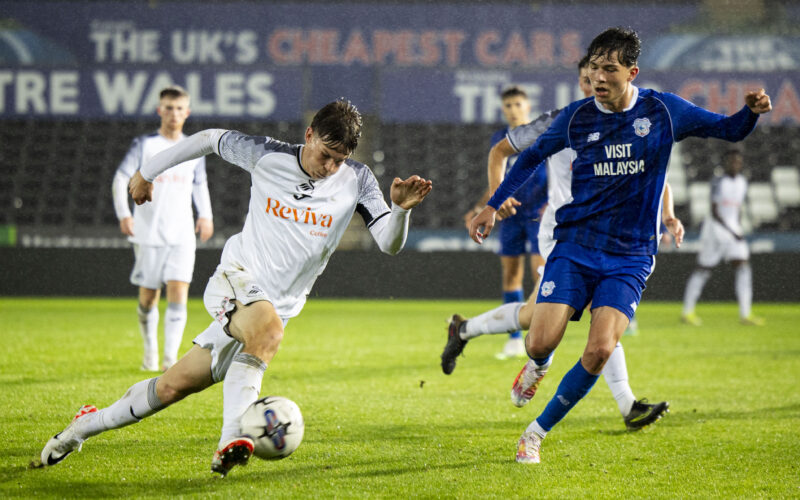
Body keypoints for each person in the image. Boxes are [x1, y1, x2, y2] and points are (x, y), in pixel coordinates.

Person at [38, 99, 432, 477]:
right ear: (309, 134)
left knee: (171, 387)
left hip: (275, 306)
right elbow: (209, 137)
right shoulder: (268, 156)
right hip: (237, 278)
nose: (329, 166)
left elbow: (388, 243)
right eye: (325, 153)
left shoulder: (358, 180)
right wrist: (147, 173)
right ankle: (232, 439)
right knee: (268, 332)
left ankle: (81, 428)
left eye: (339, 159)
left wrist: (400, 211)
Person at [468, 27, 771, 464]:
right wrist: (493, 205)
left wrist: (751, 112)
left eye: (608, 68)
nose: (597, 77)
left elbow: (729, 130)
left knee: (601, 348)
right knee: (538, 342)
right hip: (575, 245)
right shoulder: (575, 117)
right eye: (593, 68)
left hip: (629, 255)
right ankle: (538, 364)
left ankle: (534, 434)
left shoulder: (663, 110)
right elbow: (529, 156)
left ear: (632, 72)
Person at [442, 56, 671, 433]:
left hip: (602, 235)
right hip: (564, 232)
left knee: (581, 315)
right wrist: (498, 199)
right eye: (587, 77)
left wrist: (668, 213)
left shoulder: (625, 121)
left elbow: (653, 173)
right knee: (550, 317)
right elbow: (501, 150)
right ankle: (549, 367)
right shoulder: (560, 119)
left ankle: (467, 331)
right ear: (581, 81)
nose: (594, 82)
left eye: (600, 75)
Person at [111, 85, 214, 372]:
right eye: (168, 108)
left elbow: (199, 184)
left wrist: (205, 214)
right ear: (160, 110)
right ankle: (150, 356)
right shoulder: (145, 145)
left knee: (179, 291)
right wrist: (124, 213)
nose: (174, 113)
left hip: (181, 233)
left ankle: (169, 360)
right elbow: (121, 179)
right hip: (148, 232)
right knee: (148, 297)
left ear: (187, 112)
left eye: (180, 108)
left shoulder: (194, 146)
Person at [463, 86, 547, 359]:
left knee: (540, 273)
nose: (513, 109)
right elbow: (496, 182)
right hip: (509, 216)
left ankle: (538, 334)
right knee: (511, 274)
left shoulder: (542, 134)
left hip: (539, 214)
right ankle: (514, 338)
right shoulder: (500, 139)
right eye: (508, 105)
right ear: (503, 110)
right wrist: (481, 207)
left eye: (517, 104)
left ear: (528, 107)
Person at [681, 149, 764, 326]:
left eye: (738, 161)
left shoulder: (742, 182)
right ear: (725, 163)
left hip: (733, 229)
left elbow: (737, 209)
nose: (735, 164)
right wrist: (734, 232)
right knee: (703, 269)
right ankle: (687, 312)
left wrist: (738, 228)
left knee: (743, 266)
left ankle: (746, 314)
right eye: (731, 161)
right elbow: (715, 211)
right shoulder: (718, 182)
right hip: (715, 230)